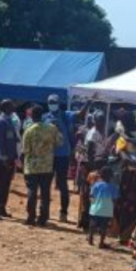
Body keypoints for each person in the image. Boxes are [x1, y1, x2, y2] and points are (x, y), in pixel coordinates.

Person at [43, 94, 90, 223]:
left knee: (62, 184)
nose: (52, 104)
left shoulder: (66, 115)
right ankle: (45, 212)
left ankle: (63, 212)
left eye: (54, 102)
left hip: (63, 155)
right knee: (46, 184)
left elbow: (80, 114)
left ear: (59, 103)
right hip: (48, 156)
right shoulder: (44, 117)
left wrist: (88, 102)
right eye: (50, 102)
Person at [21, 105, 63, 227]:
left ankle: (31, 217)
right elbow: (60, 142)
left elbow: (25, 150)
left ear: (32, 116)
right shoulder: (51, 128)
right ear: (42, 115)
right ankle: (43, 219)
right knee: (45, 194)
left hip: (32, 167)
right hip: (47, 166)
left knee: (32, 192)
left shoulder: (29, 130)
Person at [79, 112, 108, 230]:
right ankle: (86, 220)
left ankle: (92, 220)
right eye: (99, 120)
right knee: (88, 194)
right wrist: (94, 170)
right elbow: (90, 153)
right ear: (95, 121)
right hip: (91, 165)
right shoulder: (93, 134)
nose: (102, 122)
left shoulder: (101, 132)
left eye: (103, 120)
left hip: (98, 162)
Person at [0, 99, 18, 220]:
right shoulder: (1, 121)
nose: (14, 107)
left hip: (10, 158)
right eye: (11, 105)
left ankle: (1, 208)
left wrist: (14, 156)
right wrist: (4, 158)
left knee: (6, 184)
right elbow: (0, 141)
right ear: (6, 107)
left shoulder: (9, 120)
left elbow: (12, 139)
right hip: (2, 158)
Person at [89, 165, 119, 248]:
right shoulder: (114, 187)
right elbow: (115, 200)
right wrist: (112, 208)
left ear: (100, 176)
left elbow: (91, 196)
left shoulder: (96, 185)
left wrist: (93, 204)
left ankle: (90, 238)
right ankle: (101, 242)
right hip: (107, 211)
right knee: (104, 227)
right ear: (111, 177)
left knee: (93, 224)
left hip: (95, 209)